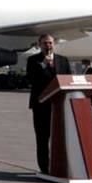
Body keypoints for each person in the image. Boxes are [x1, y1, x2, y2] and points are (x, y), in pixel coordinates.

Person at [26, 34, 71, 174]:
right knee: (42, 137)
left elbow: (68, 80)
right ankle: (44, 167)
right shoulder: (33, 60)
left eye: (50, 43)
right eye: (45, 43)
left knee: (61, 137)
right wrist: (44, 65)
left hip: (59, 105)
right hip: (41, 106)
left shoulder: (63, 60)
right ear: (39, 45)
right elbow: (30, 80)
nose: (48, 46)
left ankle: (60, 166)